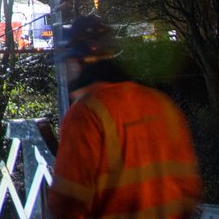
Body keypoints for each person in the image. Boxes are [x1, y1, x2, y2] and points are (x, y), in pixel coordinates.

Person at [48, 15, 202, 219]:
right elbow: (190, 187)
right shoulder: (161, 104)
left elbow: (67, 203)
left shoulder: (86, 115)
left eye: (65, 63)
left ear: (78, 61)